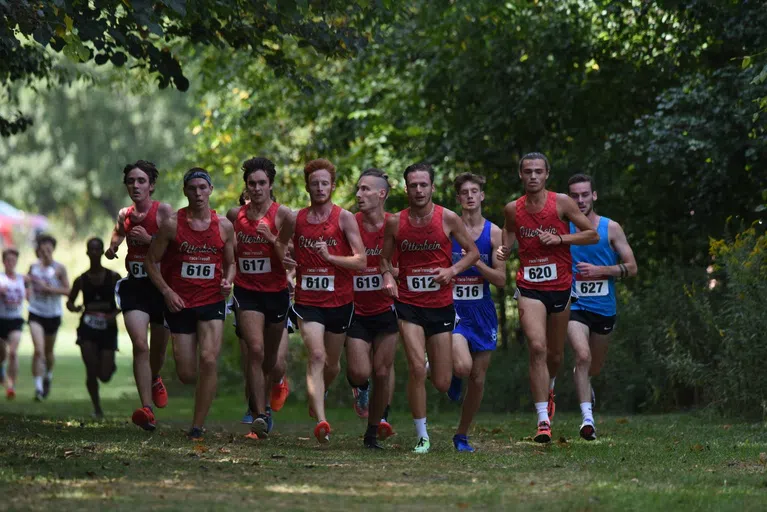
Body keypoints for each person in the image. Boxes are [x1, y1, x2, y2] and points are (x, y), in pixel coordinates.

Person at [497, 152, 598, 443]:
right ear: (521, 175)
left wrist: (560, 239)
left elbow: (591, 234)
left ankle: (549, 389)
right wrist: (505, 249)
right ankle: (542, 420)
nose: (532, 176)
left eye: (538, 171)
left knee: (554, 355)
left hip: (561, 284)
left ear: (546, 174)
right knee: (537, 348)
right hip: (529, 285)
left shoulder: (562, 203)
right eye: (527, 171)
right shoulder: (513, 208)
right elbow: (509, 231)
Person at [380, 162, 479, 454]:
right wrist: (388, 277)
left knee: (442, 380)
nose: (419, 190)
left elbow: (472, 253)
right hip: (409, 303)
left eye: (424, 185)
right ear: (407, 188)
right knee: (415, 369)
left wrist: (451, 271)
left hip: (440, 305)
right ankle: (422, 436)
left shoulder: (448, 218)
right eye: (413, 185)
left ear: (432, 187)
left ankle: (437, 372)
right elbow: (384, 259)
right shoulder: (396, 222)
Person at [145, 167, 236, 440]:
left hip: (211, 301)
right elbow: (151, 261)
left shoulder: (224, 226)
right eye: (192, 188)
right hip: (180, 303)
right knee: (186, 373)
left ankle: (197, 426)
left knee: (209, 359)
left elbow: (232, 264)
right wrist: (167, 292)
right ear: (185, 191)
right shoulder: (173, 224)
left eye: (202, 188)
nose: (198, 193)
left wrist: (228, 282)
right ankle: (195, 395)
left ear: (210, 190)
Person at [552, 173, 638, 440]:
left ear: (594, 196)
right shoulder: (562, 229)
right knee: (582, 355)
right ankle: (587, 420)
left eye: (584, 195)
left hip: (604, 308)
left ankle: (585, 383)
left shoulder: (610, 228)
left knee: (593, 367)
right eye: (574, 195)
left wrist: (601, 270)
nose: (579, 200)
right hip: (574, 304)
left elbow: (632, 267)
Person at [291, 158, 366, 444]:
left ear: (332, 186)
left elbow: (361, 261)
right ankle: (322, 421)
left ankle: (317, 393)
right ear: (307, 187)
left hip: (340, 300)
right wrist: (286, 260)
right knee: (318, 356)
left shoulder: (344, 217)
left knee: (332, 364)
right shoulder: (297, 218)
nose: (320, 188)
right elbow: (283, 244)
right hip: (308, 299)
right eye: (315, 183)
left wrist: (330, 258)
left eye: (325, 183)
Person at [226, 157, 294, 438]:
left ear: (270, 185)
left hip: (276, 292)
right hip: (246, 291)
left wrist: (271, 239)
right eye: (251, 183)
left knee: (272, 362)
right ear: (246, 186)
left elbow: (288, 260)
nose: (256, 188)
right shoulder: (234, 216)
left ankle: (277, 383)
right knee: (254, 350)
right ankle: (259, 415)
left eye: (261, 183)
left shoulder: (283, 216)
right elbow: (228, 253)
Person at [106, 160, 173, 430]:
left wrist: (150, 241)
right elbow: (118, 233)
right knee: (140, 345)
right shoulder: (125, 214)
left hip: (161, 288)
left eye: (141, 181)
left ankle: (155, 377)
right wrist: (112, 248)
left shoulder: (164, 212)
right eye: (131, 181)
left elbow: (179, 247)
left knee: (157, 349)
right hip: (135, 287)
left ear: (152, 185)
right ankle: (146, 409)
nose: (136, 185)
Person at [447, 173, 506, 452]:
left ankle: (461, 435)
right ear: (458, 199)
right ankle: (452, 374)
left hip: (482, 310)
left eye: (475, 191)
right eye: (464, 192)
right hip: (453, 309)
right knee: (463, 366)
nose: (470, 196)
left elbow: (501, 279)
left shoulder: (494, 233)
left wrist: (474, 260)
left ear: (482, 196)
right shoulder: (446, 230)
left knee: (478, 379)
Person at [345, 168, 399, 449]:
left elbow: (410, 265)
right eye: (358, 189)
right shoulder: (349, 222)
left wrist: (392, 272)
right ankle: (360, 389)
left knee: (382, 371)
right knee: (360, 372)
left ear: (382, 194)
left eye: (365, 189)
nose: (358, 194)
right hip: (355, 309)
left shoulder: (396, 224)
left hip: (387, 308)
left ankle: (373, 430)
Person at [66, 238, 122, 419]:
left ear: (102, 251)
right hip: (87, 328)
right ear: (87, 253)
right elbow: (70, 301)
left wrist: (113, 315)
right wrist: (74, 308)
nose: (95, 252)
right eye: (92, 249)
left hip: (107, 328)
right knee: (91, 368)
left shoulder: (114, 278)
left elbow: (126, 300)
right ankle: (97, 407)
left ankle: (109, 366)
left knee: (104, 375)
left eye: (98, 248)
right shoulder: (81, 280)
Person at [27, 234, 69, 400]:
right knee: (38, 350)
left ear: (53, 250)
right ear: (38, 250)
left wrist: (51, 290)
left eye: (48, 249)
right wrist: (27, 291)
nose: (45, 252)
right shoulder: (33, 267)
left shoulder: (59, 269)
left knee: (48, 352)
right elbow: (27, 283)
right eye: (42, 249)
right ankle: (38, 389)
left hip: (53, 314)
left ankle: (48, 376)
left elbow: (68, 290)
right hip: (35, 312)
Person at [0, 248, 26, 399]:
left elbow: (31, 293)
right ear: (4, 262)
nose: (11, 263)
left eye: (13, 260)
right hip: (1, 320)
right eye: (8, 260)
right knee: (1, 355)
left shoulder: (22, 279)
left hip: (16, 320)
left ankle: (11, 386)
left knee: (14, 353)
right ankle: (1, 368)